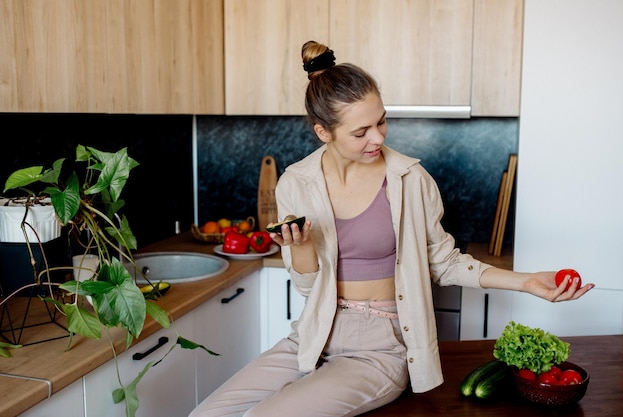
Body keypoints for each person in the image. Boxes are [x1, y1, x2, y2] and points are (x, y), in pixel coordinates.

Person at [189, 40, 594, 417]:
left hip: (380, 348)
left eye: (382, 122)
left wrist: (527, 282)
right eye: (361, 132)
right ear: (323, 132)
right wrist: (304, 246)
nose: (378, 138)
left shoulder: (410, 180)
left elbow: (445, 263)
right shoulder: (297, 182)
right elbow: (309, 288)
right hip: (312, 336)